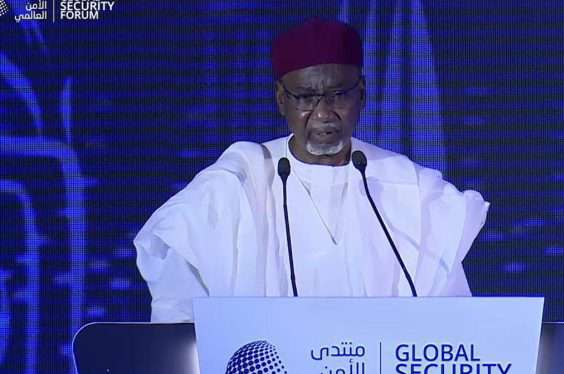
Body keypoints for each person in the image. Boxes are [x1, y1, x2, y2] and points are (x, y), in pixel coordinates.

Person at [133, 18, 489, 323]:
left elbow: (451, 323)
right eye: (305, 97)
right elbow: (177, 305)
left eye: (339, 95)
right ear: (281, 99)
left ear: (361, 94)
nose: (323, 114)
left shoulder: (415, 191)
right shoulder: (236, 184)